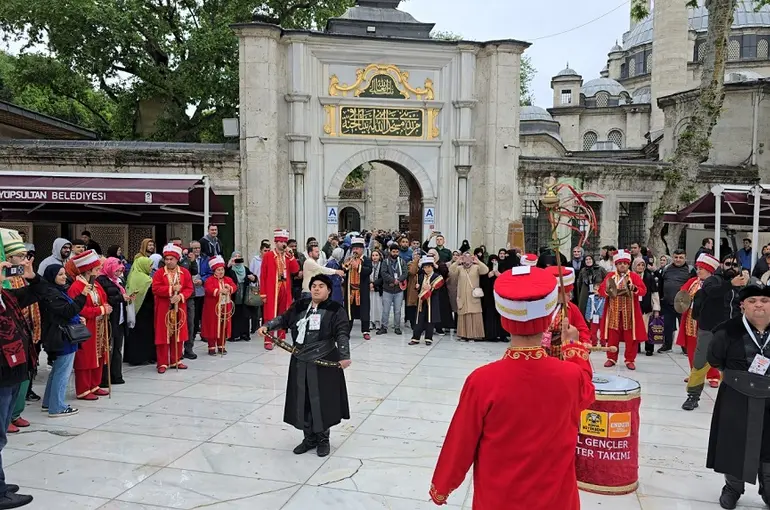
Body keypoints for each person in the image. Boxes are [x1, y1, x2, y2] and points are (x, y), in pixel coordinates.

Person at [429, 265, 594, 508]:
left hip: (499, 499)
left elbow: (460, 444)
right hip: (556, 500)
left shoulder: (482, 381)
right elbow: (587, 392)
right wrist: (573, 348)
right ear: (549, 318)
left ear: (504, 320)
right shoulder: (571, 376)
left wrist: (442, 486)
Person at [257, 274, 352, 458]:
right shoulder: (300, 305)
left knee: (322, 401)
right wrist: (268, 326)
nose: (316, 289)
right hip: (300, 360)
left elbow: (342, 333)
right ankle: (309, 438)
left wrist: (344, 355)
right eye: (314, 286)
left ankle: (323, 439)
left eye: (321, 286)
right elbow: (284, 320)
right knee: (303, 399)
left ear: (328, 290)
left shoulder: (335, 309)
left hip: (324, 360)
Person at [705, 284, 770, 509]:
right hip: (736, 396)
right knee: (733, 444)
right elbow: (714, 358)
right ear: (743, 305)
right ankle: (733, 488)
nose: (759, 304)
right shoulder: (727, 330)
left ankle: (769, 489)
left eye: (764, 300)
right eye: (752, 301)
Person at [0, 255, 42, 509]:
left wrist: (31, 275)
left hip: (13, 372)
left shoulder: (6, 297)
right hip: (2, 375)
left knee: (2, 433)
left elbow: (38, 293)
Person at [683, 254, 746, 411]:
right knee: (700, 363)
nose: (731, 267)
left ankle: (733, 397)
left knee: (733, 364)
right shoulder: (714, 280)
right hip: (709, 329)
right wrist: (731, 284)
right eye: (728, 264)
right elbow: (712, 292)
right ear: (721, 265)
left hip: (732, 330)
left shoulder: (742, 282)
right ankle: (693, 396)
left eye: (735, 265)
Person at [1, 230, 41, 434]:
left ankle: (14, 414)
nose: (24, 260)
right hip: (4, 358)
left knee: (20, 382)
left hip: (21, 346)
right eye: (20, 257)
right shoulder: (6, 282)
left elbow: (37, 293)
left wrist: (32, 277)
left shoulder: (11, 291)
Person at [39, 264, 84, 417]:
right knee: (62, 372)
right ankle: (57, 407)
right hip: (61, 336)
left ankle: (48, 402)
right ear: (52, 277)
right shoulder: (51, 293)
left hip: (62, 334)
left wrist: (78, 318)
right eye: (60, 274)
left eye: (64, 274)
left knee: (58, 370)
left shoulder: (57, 291)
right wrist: (82, 297)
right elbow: (67, 311)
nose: (64, 277)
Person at [67, 250, 111, 400]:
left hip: (98, 325)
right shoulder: (76, 287)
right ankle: (83, 389)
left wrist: (105, 307)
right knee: (85, 357)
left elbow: (103, 299)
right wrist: (100, 309)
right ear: (88, 270)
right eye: (97, 269)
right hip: (87, 326)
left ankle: (95, 384)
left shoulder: (96, 284)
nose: (99, 272)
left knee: (98, 354)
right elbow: (78, 309)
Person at [598, 250, 647, 370]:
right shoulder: (610, 276)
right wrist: (607, 292)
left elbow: (643, 290)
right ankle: (611, 358)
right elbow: (601, 290)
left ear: (628, 264)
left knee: (630, 337)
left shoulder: (634, 276)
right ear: (616, 264)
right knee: (612, 335)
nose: (623, 265)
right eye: (620, 263)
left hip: (630, 313)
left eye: (625, 263)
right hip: (613, 312)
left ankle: (630, 359)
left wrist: (634, 288)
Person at [675, 254, 721, 385]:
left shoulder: (716, 283)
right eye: (698, 268)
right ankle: (695, 374)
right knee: (692, 348)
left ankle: (713, 376)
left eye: (701, 268)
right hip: (691, 319)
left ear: (709, 270)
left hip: (708, 321)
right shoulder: (692, 282)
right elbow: (682, 294)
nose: (698, 270)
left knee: (709, 348)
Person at [151, 244, 194, 374]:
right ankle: (162, 362)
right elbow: (155, 289)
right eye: (167, 259)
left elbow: (189, 289)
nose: (169, 261)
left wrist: (180, 296)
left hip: (179, 307)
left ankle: (176, 360)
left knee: (178, 332)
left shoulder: (184, 272)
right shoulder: (159, 273)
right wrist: (170, 290)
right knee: (163, 334)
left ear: (177, 259)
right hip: (163, 307)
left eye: (171, 259)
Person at [261, 229, 300, 350]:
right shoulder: (268, 256)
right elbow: (263, 275)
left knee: (283, 313)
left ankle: (281, 337)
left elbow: (295, 270)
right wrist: (263, 293)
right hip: (272, 288)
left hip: (284, 287)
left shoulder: (288, 256)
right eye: (281, 241)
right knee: (270, 314)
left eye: (285, 241)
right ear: (276, 242)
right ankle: (268, 339)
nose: (283, 244)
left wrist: (292, 257)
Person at [96, 257, 130, 387]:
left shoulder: (118, 281)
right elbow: (104, 299)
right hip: (110, 319)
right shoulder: (101, 281)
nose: (118, 273)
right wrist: (120, 297)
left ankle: (116, 375)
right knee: (107, 349)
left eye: (120, 270)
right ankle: (105, 378)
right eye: (116, 270)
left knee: (117, 348)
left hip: (120, 318)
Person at [542, 266, 590, 356]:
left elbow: (582, 329)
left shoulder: (572, 308)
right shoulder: (540, 308)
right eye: (566, 293)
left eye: (570, 292)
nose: (570, 295)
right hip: (543, 353)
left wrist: (585, 341)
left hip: (564, 352)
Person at [450, 251, 489, 342]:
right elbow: (451, 271)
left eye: (469, 257)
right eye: (465, 257)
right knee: (463, 315)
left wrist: (478, 261)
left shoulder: (476, 267)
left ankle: (474, 335)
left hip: (473, 296)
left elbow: (486, 270)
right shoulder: (459, 268)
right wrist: (457, 261)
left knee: (474, 314)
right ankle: (463, 335)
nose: (467, 259)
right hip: (462, 296)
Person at [124, 257, 156, 366]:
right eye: (149, 265)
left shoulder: (132, 276)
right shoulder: (146, 279)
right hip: (145, 311)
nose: (151, 268)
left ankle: (132, 357)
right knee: (144, 335)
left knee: (134, 334)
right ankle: (142, 357)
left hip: (134, 310)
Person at [658, 249, 691, 353]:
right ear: (672, 257)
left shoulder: (690, 270)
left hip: (684, 304)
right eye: (676, 257)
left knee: (684, 327)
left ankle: (685, 348)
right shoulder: (666, 269)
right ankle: (667, 346)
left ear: (685, 258)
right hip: (667, 303)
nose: (678, 260)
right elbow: (661, 283)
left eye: (681, 257)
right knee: (667, 326)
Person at [202, 256, 235, 355]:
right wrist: (220, 291)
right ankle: (211, 346)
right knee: (212, 326)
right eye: (218, 270)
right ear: (214, 271)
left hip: (225, 306)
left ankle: (221, 346)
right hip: (213, 307)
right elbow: (208, 289)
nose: (221, 272)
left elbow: (234, 286)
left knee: (224, 326)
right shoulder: (209, 280)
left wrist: (229, 288)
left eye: (222, 269)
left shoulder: (227, 279)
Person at [409, 256, 444, 346]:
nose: (427, 269)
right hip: (421, 301)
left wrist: (431, 288)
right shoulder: (420, 277)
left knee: (430, 320)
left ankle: (428, 338)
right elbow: (419, 288)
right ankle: (415, 338)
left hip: (432, 301)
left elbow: (438, 287)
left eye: (428, 267)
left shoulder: (437, 276)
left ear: (432, 267)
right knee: (419, 319)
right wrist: (417, 287)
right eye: (425, 267)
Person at [342, 237, 373, 340]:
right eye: (354, 248)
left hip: (362, 290)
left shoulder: (367, 260)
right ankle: (346, 331)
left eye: (358, 248)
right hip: (350, 290)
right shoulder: (349, 259)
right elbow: (343, 270)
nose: (355, 250)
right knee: (349, 311)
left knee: (364, 310)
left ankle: (365, 331)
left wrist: (357, 266)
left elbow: (368, 271)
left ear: (362, 249)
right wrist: (345, 266)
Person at [226, 251, 256, 342]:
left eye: (239, 256)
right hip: (234, 295)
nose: (237, 258)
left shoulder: (245, 269)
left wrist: (254, 278)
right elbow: (224, 276)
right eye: (236, 256)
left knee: (244, 315)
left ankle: (244, 334)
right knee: (235, 315)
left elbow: (253, 277)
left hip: (244, 295)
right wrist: (229, 265)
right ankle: (234, 335)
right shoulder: (230, 269)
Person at [378, 243, 408, 336]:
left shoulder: (402, 261)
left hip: (399, 290)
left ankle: (397, 327)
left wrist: (398, 280)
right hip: (387, 289)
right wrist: (392, 280)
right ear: (390, 252)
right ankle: (384, 327)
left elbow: (405, 273)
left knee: (398, 310)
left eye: (397, 252)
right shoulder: (385, 262)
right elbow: (383, 273)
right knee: (386, 310)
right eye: (393, 251)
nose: (395, 253)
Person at [481, 255, 507, 342]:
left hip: (500, 295)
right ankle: (491, 335)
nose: (494, 262)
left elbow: (506, 279)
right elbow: (483, 282)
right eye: (492, 260)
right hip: (489, 297)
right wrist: (489, 275)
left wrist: (498, 274)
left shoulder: (502, 267)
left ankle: (502, 335)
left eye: (496, 260)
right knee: (490, 315)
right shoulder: (486, 269)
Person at [369, 250, 383, 332]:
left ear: (379, 256)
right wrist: (369, 284)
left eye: (376, 255)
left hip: (378, 288)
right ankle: (371, 321)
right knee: (371, 305)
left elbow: (382, 277)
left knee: (378, 306)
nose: (374, 257)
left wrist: (374, 284)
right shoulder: (368, 264)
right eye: (373, 255)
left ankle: (378, 322)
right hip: (369, 288)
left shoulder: (382, 265)